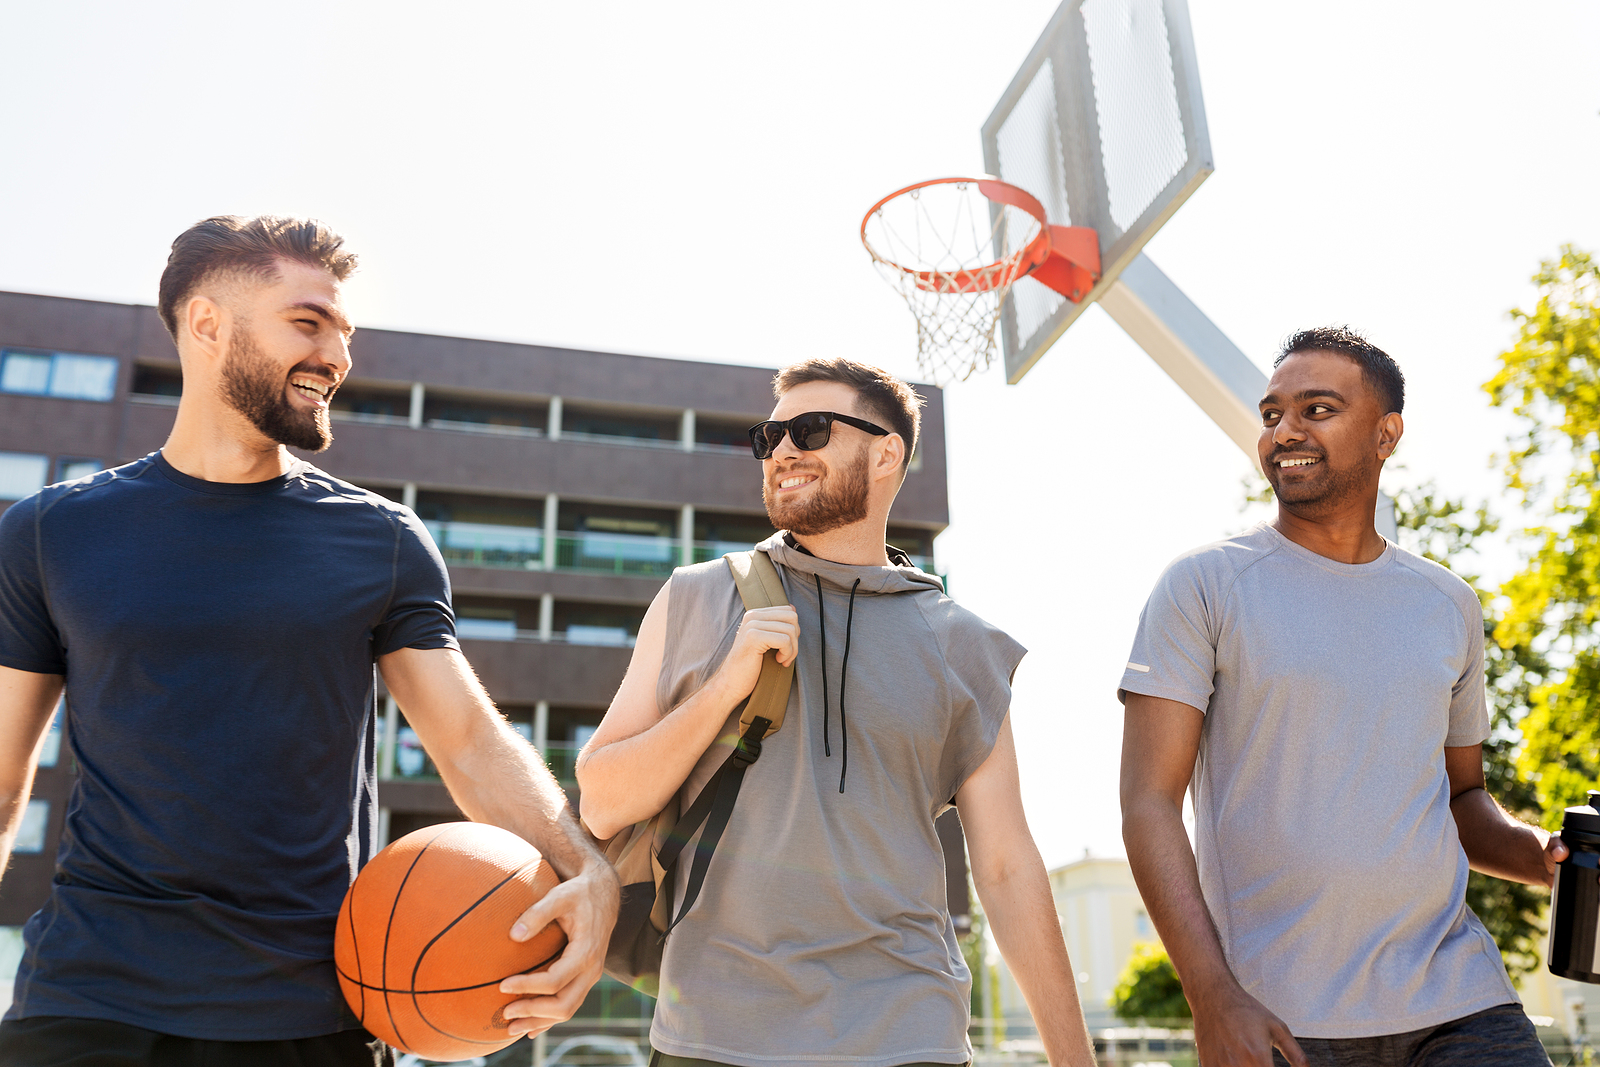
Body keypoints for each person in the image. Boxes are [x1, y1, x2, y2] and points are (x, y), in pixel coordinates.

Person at [0, 215, 619, 1066]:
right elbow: (3, 777)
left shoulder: (382, 539)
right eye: (308, 321)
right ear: (207, 323)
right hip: (88, 999)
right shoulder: (49, 531)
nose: (337, 354)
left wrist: (584, 868)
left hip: (308, 1010)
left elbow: (469, 740)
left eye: (343, 330)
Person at [577, 357, 1096, 1067]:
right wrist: (724, 687)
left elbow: (1005, 865)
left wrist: (1076, 1059)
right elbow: (603, 804)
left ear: (887, 453)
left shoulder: (965, 644)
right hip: (714, 1034)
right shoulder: (694, 597)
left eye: (811, 430)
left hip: (909, 1035)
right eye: (771, 436)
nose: (783, 450)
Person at [1118, 326, 1565, 1067]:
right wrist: (1212, 994)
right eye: (1271, 414)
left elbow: (1462, 799)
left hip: (1459, 999)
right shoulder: (1203, 586)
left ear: (1386, 433)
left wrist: (1542, 856)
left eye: (1316, 408)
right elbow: (1149, 803)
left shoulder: (1447, 603)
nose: (1284, 431)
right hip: (1283, 1019)